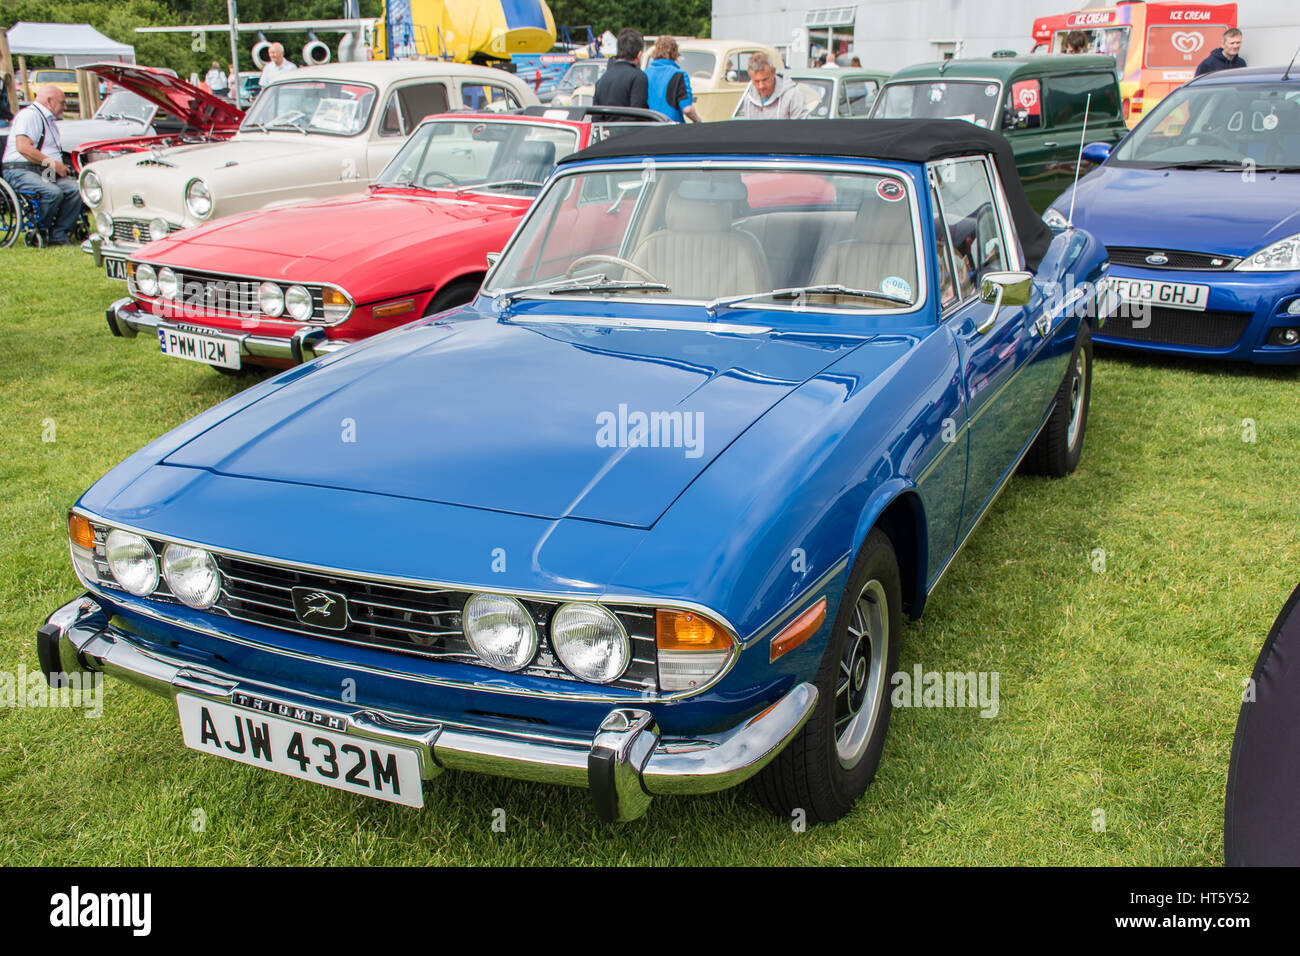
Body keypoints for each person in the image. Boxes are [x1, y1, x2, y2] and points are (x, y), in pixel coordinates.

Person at [1, 85, 83, 245]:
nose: (65, 107)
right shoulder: (29, 116)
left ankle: (60, 234)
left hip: (42, 169)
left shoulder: (48, 120)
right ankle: (40, 229)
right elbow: (23, 147)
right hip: (20, 169)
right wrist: (53, 164)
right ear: (49, 101)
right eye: (62, 103)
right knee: (52, 192)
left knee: (75, 189)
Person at [736, 51, 809, 120]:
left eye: (765, 80)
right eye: (756, 81)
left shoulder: (792, 96)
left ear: (773, 72)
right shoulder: (749, 97)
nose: (761, 86)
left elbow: (801, 128)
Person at [644, 36, 700, 123]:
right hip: (672, 128)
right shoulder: (679, 75)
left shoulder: (644, 74)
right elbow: (687, 109)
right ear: (675, 53)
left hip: (649, 128)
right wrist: (698, 120)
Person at [593, 28, 647, 109]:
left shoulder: (602, 80)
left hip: (605, 122)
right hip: (628, 121)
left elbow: (596, 117)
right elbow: (639, 114)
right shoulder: (638, 77)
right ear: (639, 54)